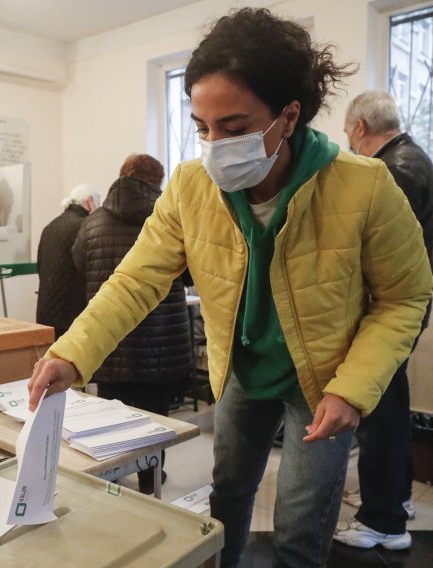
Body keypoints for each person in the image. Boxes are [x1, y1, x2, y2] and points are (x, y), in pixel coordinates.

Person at [27, 8, 432, 567]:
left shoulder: (363, 187)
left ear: (288, 117)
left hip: (322, 382)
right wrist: (73, 352)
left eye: (236, 128)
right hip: (241, 370)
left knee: (298, 524)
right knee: (227, 497)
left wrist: (353, 389)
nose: (215, 144)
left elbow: (405, 296)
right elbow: (136, 279)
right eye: (202, 127)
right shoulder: (192, 188)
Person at [333, 90, 433, 550]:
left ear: (358, 129)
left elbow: (382, 256)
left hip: (389, 309)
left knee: (378, 411)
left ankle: (383, 520)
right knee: (393, 400)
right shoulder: (415, 158)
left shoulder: (393, 171)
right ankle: (397, 499)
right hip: (408, 305)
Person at [73, 154, 193, 495]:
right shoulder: (167, 220)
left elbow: (80, 265)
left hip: (109, 342)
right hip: (160, 341)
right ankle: (150, 481)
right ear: (157, 182)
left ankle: (113, 477)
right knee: (154, 420)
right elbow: (187, 273)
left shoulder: (92, 222)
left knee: (110, 419)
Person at [36, 183, 101, 339]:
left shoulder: (51, 226)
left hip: (47, 310)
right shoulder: (85, 226)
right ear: (90, 201)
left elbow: (40, 265)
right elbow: (88, 268)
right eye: (99, 203)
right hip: (71, 312)